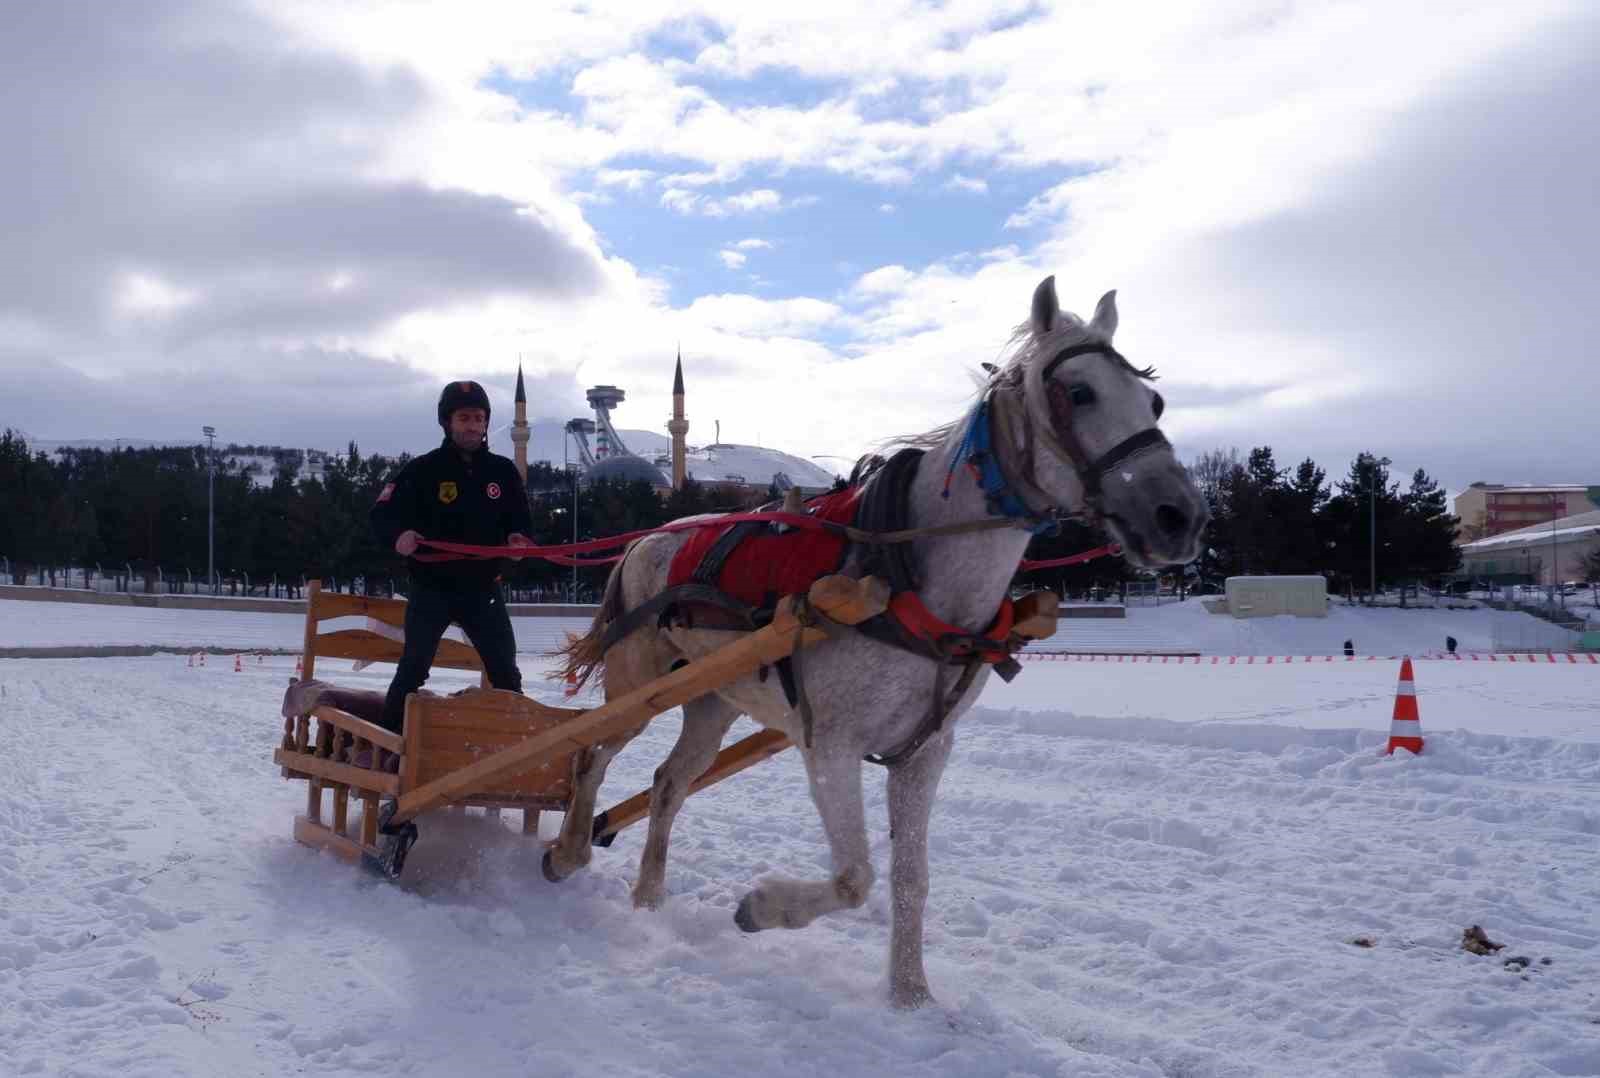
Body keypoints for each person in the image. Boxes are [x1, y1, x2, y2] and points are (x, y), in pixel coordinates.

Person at [370, 380, 534, 735]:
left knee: (506, 671)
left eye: (478, 417)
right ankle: (387, 750)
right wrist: (399, 536)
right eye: (464, 418)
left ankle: (515, 751)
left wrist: (518, 539)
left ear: (487, 422)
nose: (472, 425)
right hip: (433, 589)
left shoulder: (504, 472)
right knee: (413, 668)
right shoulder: (422, 469)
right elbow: (382, 515)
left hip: (484, 589)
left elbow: (520, 520)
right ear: (447, 422)